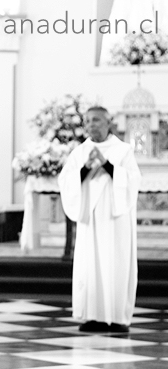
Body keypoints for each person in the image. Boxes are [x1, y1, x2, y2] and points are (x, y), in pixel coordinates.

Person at [58, 106, 141, 333]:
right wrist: (85, 168)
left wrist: (105, 163)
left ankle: (116, 318)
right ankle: (91, 316)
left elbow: (133, 181)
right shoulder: (80, 152)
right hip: (91, 220)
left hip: (115, 220)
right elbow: (66, 181)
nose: (91, 124)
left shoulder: (123, 150)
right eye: (88, 121)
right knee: (90, 264)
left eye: (96, 120)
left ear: (108, 123)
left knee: (115, 262)